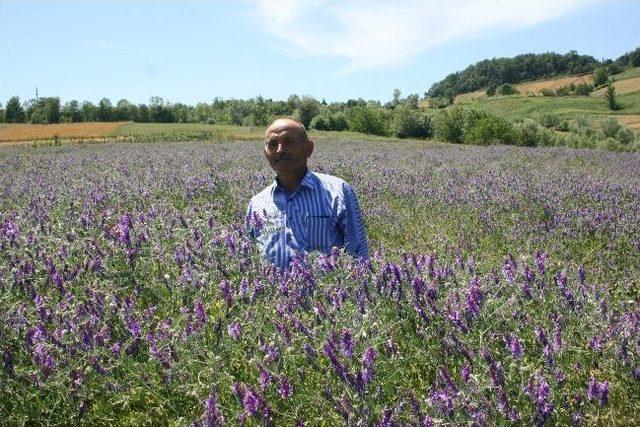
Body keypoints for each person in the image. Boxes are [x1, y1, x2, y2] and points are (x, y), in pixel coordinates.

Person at [246, 118, 369, 269]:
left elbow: (359, 252)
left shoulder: (338, 191)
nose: (279, 150)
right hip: (274, 291)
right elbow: (249, 257)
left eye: (288, 142)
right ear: (266, 154)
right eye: (272, 144)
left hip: (326, 291)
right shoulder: (257, 203)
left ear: (308, 148)